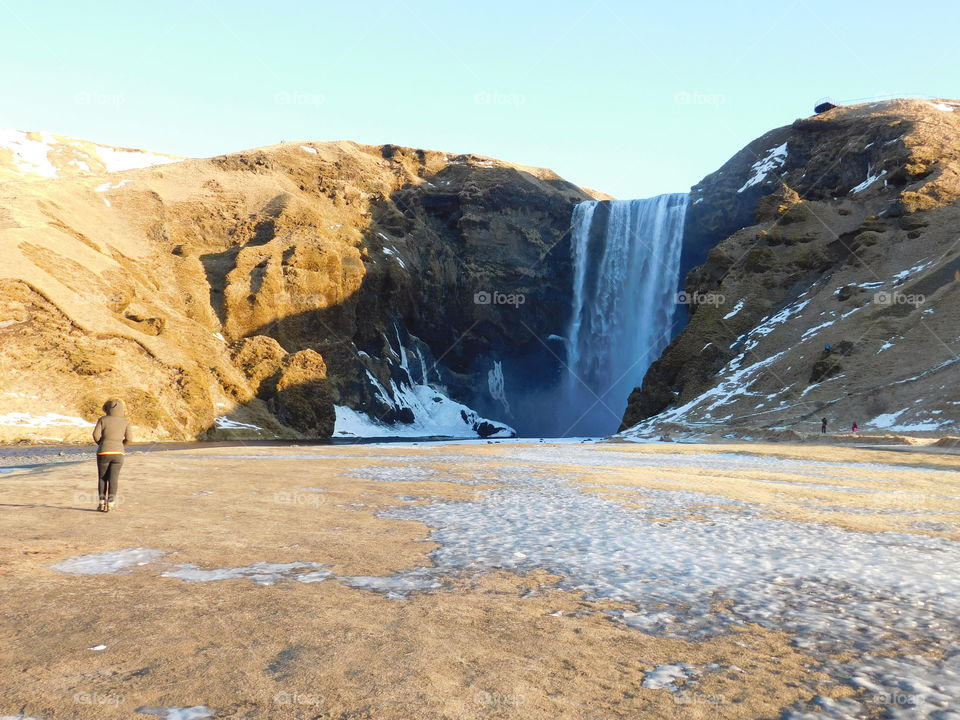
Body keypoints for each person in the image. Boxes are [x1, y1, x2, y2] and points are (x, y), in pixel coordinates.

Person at [92, 399, 132, 512]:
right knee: (114, 479)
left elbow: (95, 435)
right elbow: (130, 439)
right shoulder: (126, 421)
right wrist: (121, 445)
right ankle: (110, 505)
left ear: (108, 409)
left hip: (103, 452)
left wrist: (102, 444)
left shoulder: (102, 420)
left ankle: (101, 504)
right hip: (118, 453)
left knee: (102, 478)